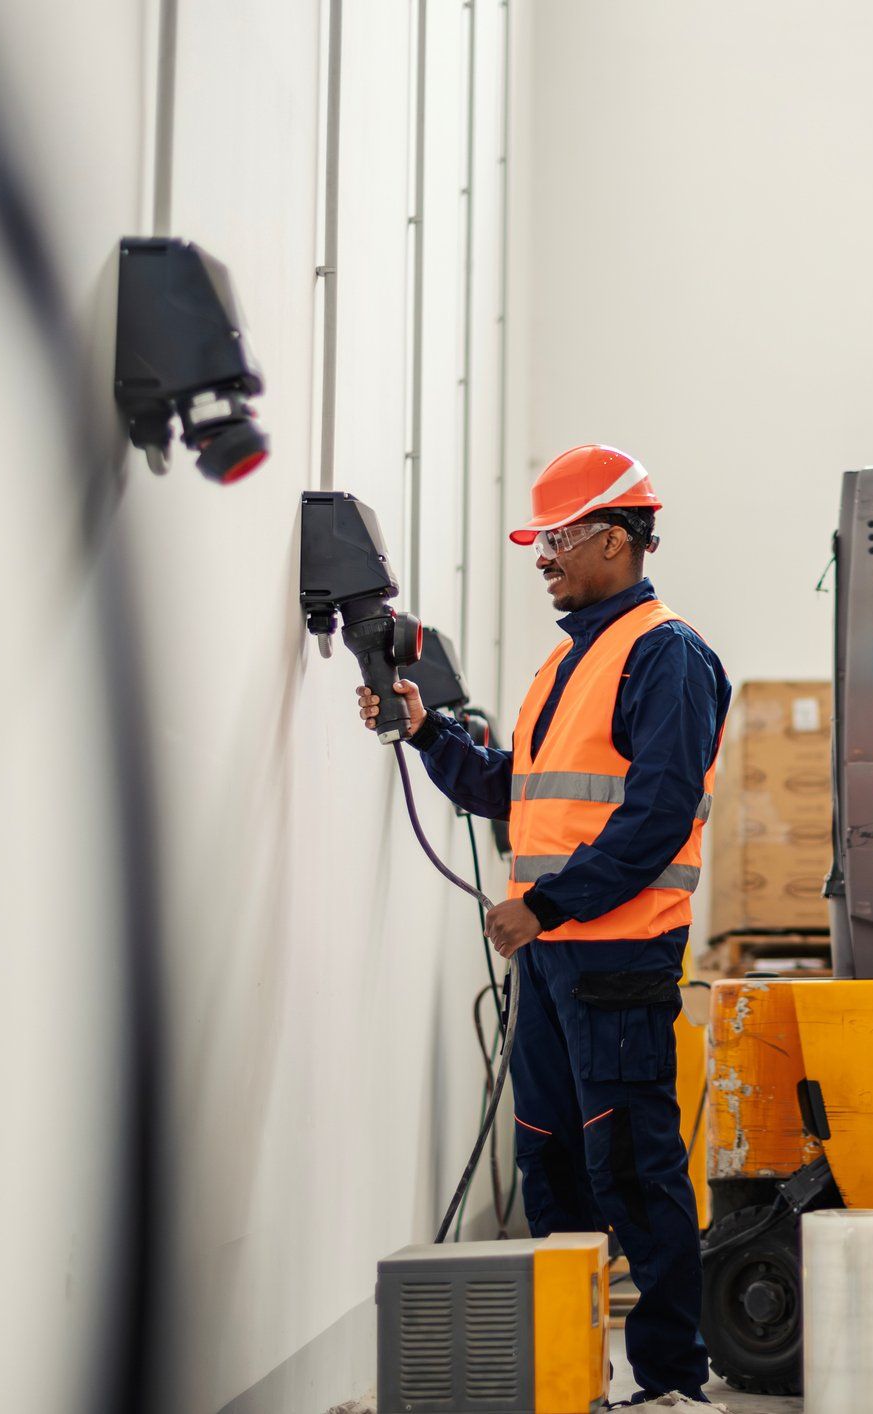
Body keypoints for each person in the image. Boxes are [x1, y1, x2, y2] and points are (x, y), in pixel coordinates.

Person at [358, 444, 728, 1407]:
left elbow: (653, 818)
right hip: (555, 961)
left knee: (632, 1166)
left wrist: (542, 907)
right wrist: (427, 729)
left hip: (616, 955)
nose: (541, 557)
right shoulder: (573, 657)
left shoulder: (666, 654)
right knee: (552, 1160)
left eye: (555, 538)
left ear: (614, 537)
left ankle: (673, 1383)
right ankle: (575, 1377)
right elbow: (514, 791)